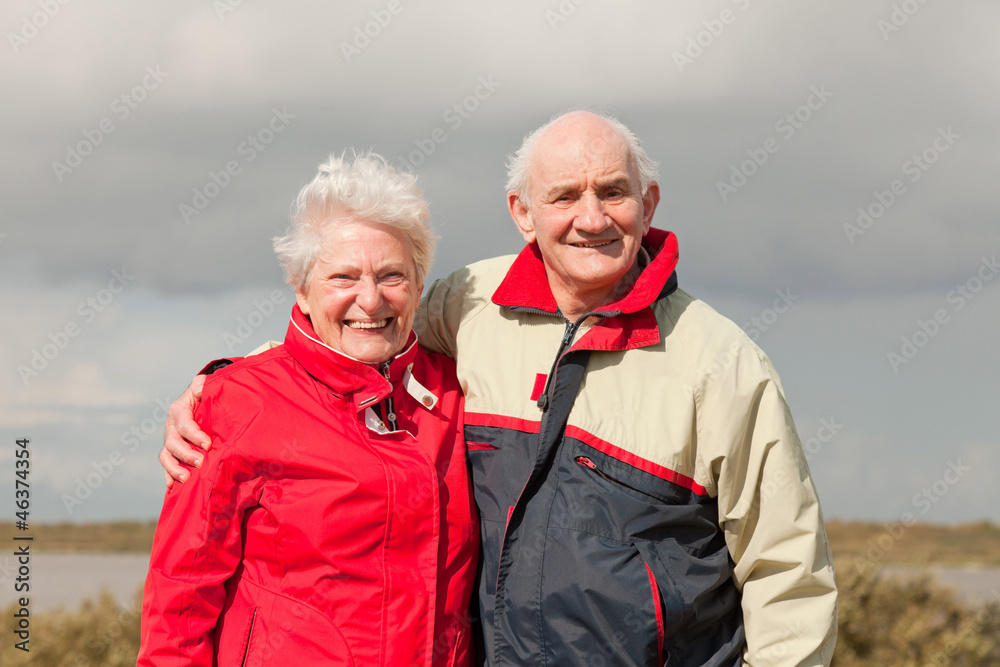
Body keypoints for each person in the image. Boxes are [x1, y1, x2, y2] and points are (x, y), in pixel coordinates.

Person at [162, 111, 838, 666]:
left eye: (613, 191)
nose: (592, 218)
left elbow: (790, 579)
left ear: (649, 202)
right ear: (522, 212)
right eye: (564, 196)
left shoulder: (723, 364)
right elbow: (356, 338)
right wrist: (226, 384)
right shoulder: (473, 303)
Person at [139, 152, 478, 666]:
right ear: (301, 286)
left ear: (419, 283)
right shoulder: (238, 402)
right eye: (343, 278)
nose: (370, 300)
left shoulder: (460, 391)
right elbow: (180, 597)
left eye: (392, 275)